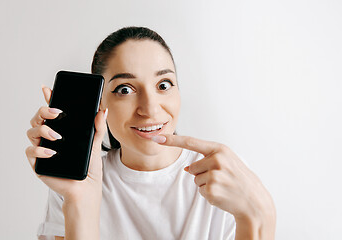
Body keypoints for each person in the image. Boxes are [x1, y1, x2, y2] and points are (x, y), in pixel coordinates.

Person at [25, 26, 276, 240]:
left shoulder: (223, 176)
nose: (150, 108)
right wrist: (80, 201)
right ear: (99, 104)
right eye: (125, 89)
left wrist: (260, 213)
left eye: (163, 85)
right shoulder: (76, 183)